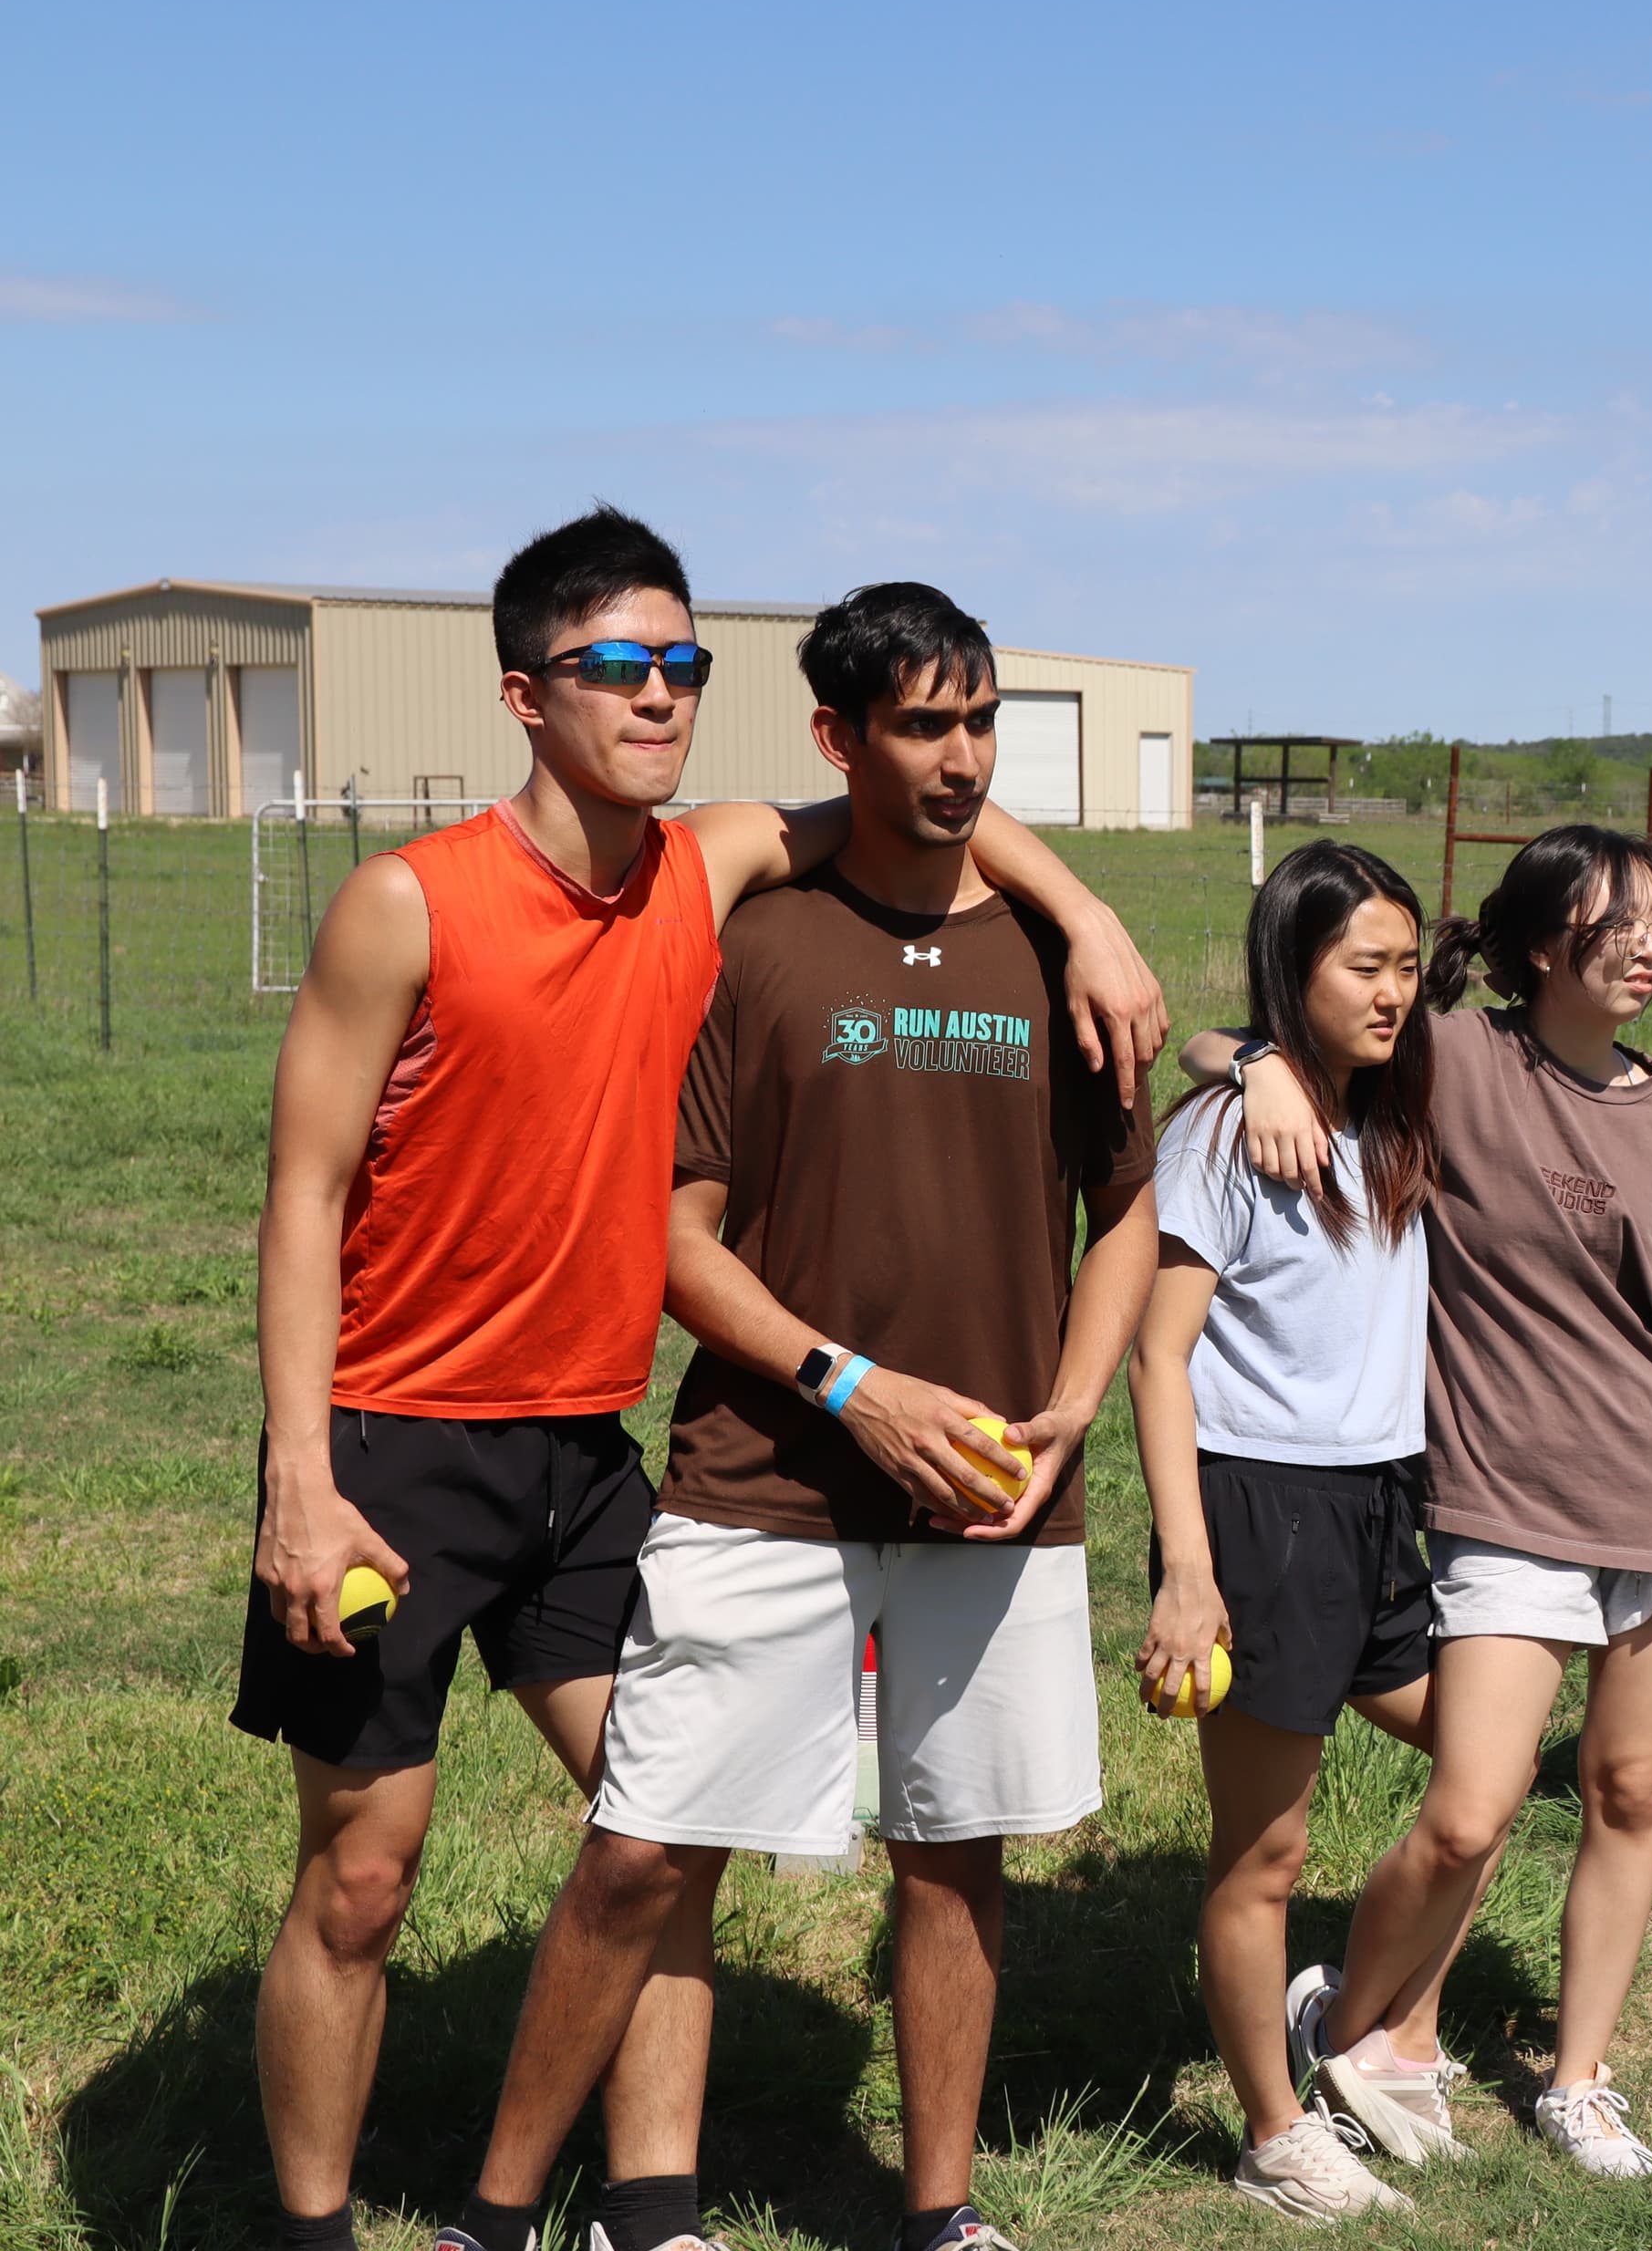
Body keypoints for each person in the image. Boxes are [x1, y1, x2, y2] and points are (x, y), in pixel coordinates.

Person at [239, 513, 1158, 2251]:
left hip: (583, 1455)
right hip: (392, 1444)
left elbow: (933, 801)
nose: (659, 696)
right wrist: (302, 1469)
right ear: (527, 695)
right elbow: (302, 1192)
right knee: (362, 1880)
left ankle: (642, 2207)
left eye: (682, 665)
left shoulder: (706, 865)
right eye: (616, 668)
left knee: (661, 1829)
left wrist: (1092, 915)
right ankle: (311, 2225)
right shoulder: (407, 899)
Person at [1194, 824, 1652, 2184]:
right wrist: (1246, 1065)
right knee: (1471, 1808)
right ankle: (1348, 2028)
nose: (1651, 945)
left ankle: (1579, 2079)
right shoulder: (1459, 1058)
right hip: (1503, 1506)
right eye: (1618, 922)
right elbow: (1260, 1037)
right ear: (1540, 946)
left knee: (1628, 1790)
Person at [1128, 841, 1452, 2223]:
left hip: (1388, 1500)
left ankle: (1361, 2025)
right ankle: (1273, 2133)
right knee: (1263, 1854)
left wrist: (1248, 1048)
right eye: (1363, 968)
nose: (1394, 993)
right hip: (1262, 1509)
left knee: (1481, 1771)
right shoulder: (1221, 1135)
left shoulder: (1393, 1110)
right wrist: (1190, 1575)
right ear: (1295, 970)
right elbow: (1159, 1360)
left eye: (1406, 966)